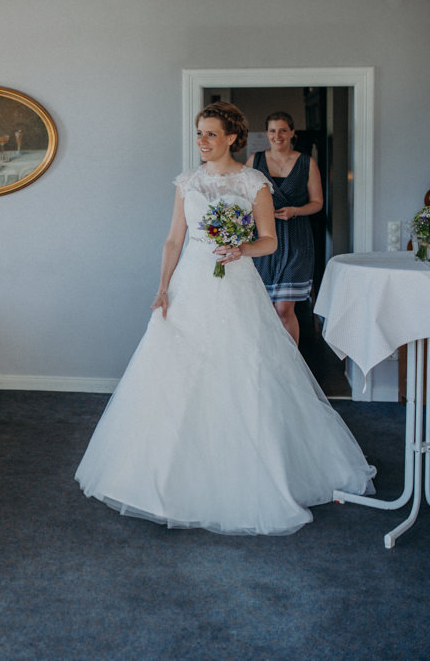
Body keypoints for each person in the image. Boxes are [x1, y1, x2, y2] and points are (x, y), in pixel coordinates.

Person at [75, 101, 374, 536]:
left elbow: (269, 241)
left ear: (233, 137)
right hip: (189, 284)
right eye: (199, 133)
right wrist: (161, 288)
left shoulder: (255, 182)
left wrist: (241, 248)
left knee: (243, 368)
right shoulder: (187, 182)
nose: (202, 142)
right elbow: (174, 239)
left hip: (235, 283)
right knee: (176, 370)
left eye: (211, 134)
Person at [245, 111, 323, 344]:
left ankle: (291, 364)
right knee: (265, 307)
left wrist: (295, 211)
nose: (277, 135)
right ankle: (267, 360)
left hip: (296, 239)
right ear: (266, 134)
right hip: (263, 239)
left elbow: (317, 203)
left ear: (292, 133)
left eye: (282, 130)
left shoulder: (306, 162)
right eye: (272, 131)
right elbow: (244, 199)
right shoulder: (254, 161)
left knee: (284, 309)